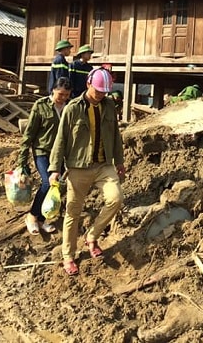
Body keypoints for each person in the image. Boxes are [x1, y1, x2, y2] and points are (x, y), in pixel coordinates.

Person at [48, 68, 126, 276]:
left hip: (104, 164)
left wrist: (119, 161)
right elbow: (61, 138)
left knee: (116, 198)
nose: (101, 94)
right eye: (98, 90)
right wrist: (55, 168)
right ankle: (68, 256)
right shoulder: (73, 108)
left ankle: (92, 236)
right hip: (78, 166)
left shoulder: (109, 105)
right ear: (88, 84)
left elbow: (116, 135)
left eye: (104, 91)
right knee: (73, 213)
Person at [18, 77, 72, 235]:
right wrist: (22, 159)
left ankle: (42, 220)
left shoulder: (69, 108)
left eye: (67, 95)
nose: (63, 98)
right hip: (42, 150)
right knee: (48, 182)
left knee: (58, 186)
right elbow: (29, 133)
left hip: (59, 153)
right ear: (53, 90)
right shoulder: (41, 106)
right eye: (60, 94)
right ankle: (32, 216)